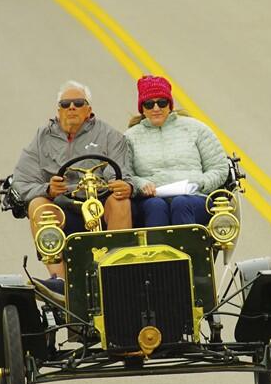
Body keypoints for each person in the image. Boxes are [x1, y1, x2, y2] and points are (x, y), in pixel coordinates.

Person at [12, 80, 133, 287]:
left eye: (78, 103)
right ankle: (59, 280)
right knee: (37, 205)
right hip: (63, 210)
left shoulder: (109, 135)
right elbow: (21, 182)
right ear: (58, 110)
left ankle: (115, 273)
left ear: (89, 109)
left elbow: (122, 173)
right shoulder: (42, 138)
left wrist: (117, 184)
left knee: (121, 200)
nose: (72, 108)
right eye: (65, 104)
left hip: (99, 206)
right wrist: (48, 189)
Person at [125, 75, 228, 227]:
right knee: (156, 207)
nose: (156, 108)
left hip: (194, 196)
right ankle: (156, 250)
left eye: (162, 102)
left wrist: (200, 183)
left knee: (181, 203)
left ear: (170, 105)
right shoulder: (129, 137)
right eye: (149, 104)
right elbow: (124, 174)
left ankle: (188, 250)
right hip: (151, 199)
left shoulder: (196, 128)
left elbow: (219, 168)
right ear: (142, 109)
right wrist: (141, 184)